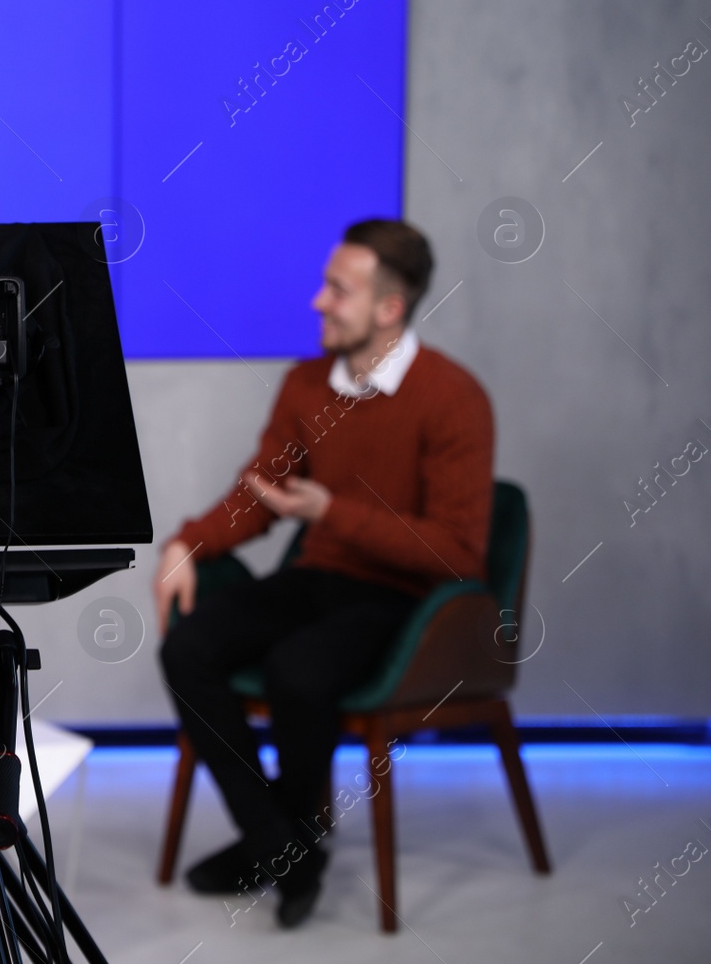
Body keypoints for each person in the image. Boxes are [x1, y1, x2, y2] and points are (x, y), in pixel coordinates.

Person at [152, 220, 494, 928]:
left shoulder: (452, 396)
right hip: (319, 576)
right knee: (188, 645)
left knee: (298, 670)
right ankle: (285, 844)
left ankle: (274, 843)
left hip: (405, 601)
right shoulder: (308, 384)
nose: (318, 302)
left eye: (338, 289)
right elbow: (260, 494)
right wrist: (187, 543)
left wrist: (334, 510)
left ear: (389, 308)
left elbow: (457, 554)